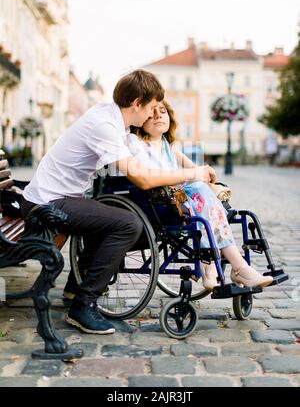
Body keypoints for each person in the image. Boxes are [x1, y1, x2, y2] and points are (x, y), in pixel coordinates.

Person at [21, 70, 215, 335]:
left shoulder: (111, 118)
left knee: (111, 214)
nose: (151, 114)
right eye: (150, 108)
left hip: (60, 198)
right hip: (47, 204)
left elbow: (148, 153)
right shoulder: (105, 125)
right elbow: (143, 179)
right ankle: (82, 305)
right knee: (128, 224)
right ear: (137, 103)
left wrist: (186, 164)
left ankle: (74, 286)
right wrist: (194, 174)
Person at [127, 100, 273, 290]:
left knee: (204, 193)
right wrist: (194, 178)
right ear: (141, 119)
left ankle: (213, 263)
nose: (158, 116)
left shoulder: (169, 147)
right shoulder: (139, 144)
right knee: (199, 193)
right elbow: (150, 177)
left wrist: (205, 172)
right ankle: (232, 266)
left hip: (178, 200)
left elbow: (196, 170)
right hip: (159, 203)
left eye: (162, 112)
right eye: (152, 112)